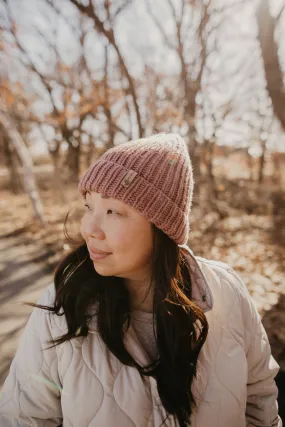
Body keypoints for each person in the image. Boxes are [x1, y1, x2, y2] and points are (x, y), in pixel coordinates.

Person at [0, 133, 282, 427]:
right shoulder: (61, 307)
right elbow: (23, 418)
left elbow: (260, 402)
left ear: (162, 227)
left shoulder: (226, 291)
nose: (89, 229)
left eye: (112, 211)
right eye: (89, 207)